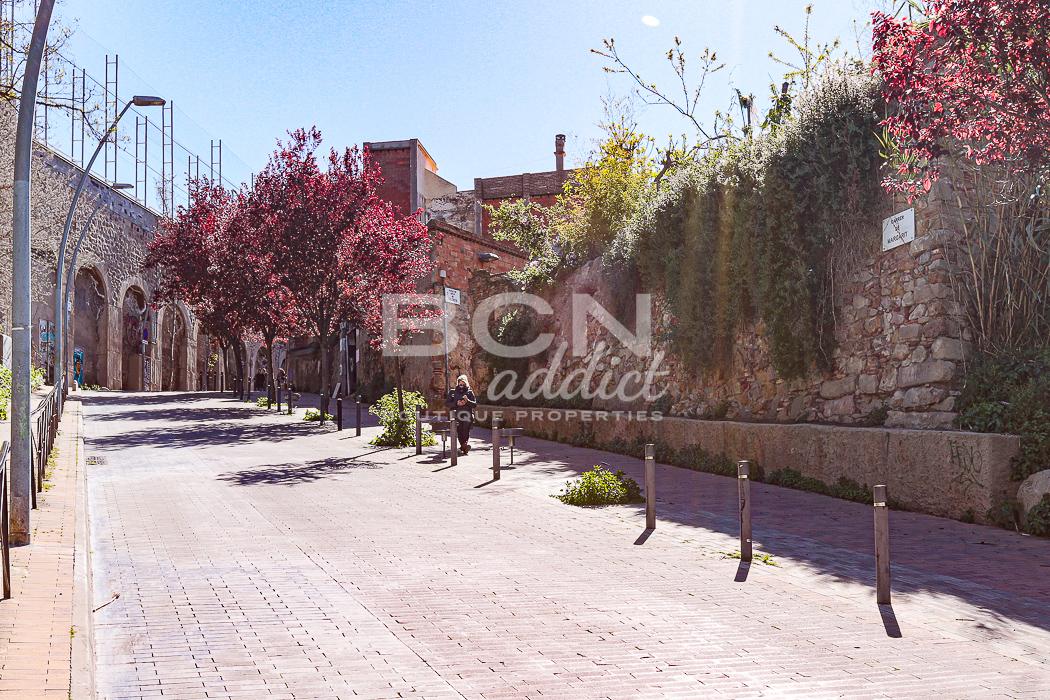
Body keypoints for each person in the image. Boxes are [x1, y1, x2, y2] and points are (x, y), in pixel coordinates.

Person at [446, 374, 477, 455]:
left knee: (465, 431)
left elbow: (474, 404)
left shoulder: (469, 392)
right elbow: (447, 403)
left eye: (463, 384)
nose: (462, 386)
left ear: (466, 383)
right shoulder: (453, 392)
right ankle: (464, 446)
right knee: (460, 431)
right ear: (458, 383)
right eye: (460, 384)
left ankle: (463, 446)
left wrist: (467, 401)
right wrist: (456, 403)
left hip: (467, 415)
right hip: (457, 415)